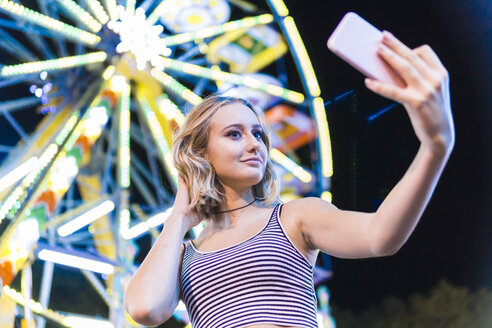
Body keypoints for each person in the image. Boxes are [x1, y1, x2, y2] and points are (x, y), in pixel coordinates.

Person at [124, 31, 455, 328]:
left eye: (258, 133)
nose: (255, 143)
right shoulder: (183, 254)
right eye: (234, 134)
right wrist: (179, 217)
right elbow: (145, 309)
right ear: (201, 154)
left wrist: (434, 147)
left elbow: (379, 234)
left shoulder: (294, 217)